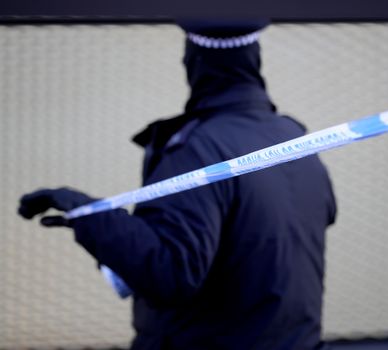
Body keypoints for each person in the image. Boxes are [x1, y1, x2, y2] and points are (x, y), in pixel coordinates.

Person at [18, 22, 337, 350]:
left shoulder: (197, 149)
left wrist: (89, 214)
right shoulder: (294, 138)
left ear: (193, 64)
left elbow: (170, 273)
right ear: (254, 62)